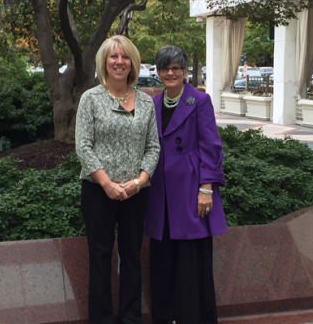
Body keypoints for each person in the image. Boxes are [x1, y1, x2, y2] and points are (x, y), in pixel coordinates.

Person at [75, 35, 160, 324]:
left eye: (124, 57)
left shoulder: (146, 103)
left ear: (133, 63)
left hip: (136, 193)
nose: (119, 62)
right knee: (100, 258)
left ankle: (130, 318)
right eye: (113, 56)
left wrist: (138, 182)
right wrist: (107, 184)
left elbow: (153, 147)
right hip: (98, 192)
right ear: (104, 62)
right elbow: (83, 146)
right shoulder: (90, 99)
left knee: (132, 259)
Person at [145, 45, 227, 324]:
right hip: (160, 194)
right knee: (163, 258)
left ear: (184, 71)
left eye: (176, 68)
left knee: (192, 261)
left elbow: (211, 146)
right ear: (157, 73)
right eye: (165, 68)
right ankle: (165, 317)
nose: (170, 73)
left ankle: (193, 318)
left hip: (191, 191)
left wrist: (206, 188)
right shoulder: (153, 104)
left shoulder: (199, 101)